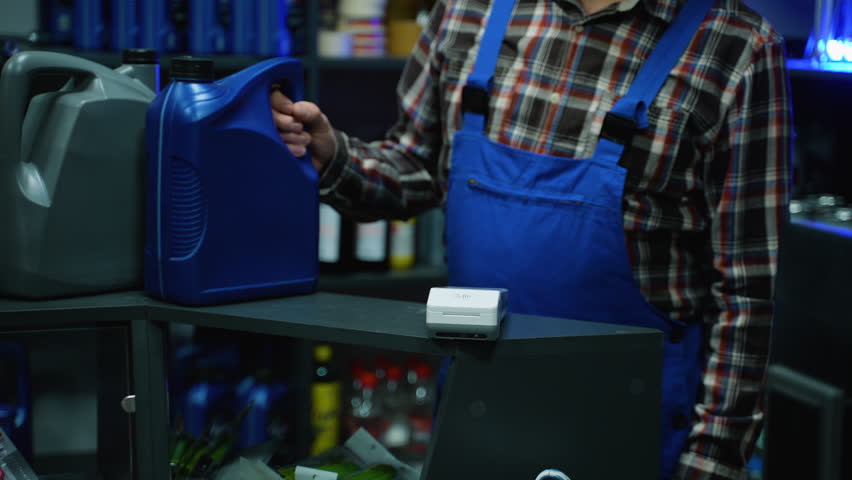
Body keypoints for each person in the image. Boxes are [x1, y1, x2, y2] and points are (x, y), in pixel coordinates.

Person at [270, 0, 793, 478]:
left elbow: (747, 294)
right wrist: (332, 154)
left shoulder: (738, 46)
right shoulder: (467, 11)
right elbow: (417, 166)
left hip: (635, 432)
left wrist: (712, 465)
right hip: (478, 415)